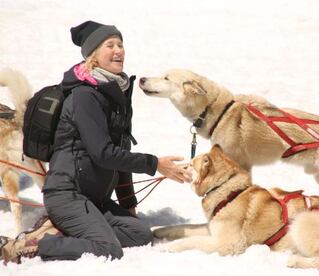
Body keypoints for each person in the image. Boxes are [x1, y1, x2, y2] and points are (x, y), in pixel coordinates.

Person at [0, 20, 191, 263]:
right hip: (67, 194)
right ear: (93, 56)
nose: (118, 50)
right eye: (109, 45)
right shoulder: (84, 96)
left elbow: (120, 151)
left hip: (94, 199)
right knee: (107, 248)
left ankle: (59, 228)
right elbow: (103, 153)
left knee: (139, 233)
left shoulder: (115, 94)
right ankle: (31, 244)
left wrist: (128, 205)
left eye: (120, 44)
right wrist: (155, 164)